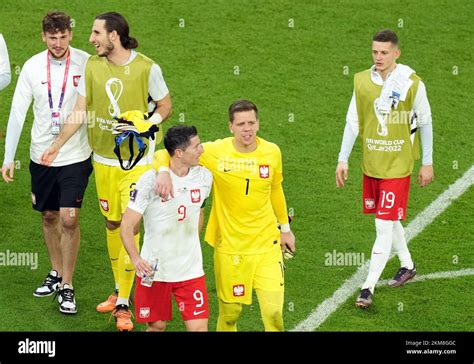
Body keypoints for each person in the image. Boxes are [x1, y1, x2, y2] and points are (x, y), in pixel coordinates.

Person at [39, 12, 172, 331]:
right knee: (113, 223)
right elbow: (80, 110)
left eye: (96, 32)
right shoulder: (92, 67)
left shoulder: (147, 68)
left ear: (114, 36)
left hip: (137, 163)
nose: (90, 38)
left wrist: (146, 123)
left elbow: (165, 106)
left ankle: (125, 305)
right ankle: (120, 289)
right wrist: (57, 144)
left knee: (130, 223)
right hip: (103, 161)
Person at [154, 100, 296, 331]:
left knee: (274, 314)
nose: (247, 129)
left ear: (258, 124)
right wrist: (163, 172)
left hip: (267, 245)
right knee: (230, 315)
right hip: (231, 249)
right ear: (231, 127)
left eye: (251, 123)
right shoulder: (216, 152)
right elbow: (163, 153)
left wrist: (285, 229)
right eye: (241, 124)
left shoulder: (272, 152)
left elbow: (275, 189)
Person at [335, 29, 434, 308]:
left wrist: (427, 162)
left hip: (398, 166)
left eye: (384, 52)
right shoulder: (362, 82)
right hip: (372, 164)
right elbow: (353, 121)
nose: (378, 57)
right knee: (389, 220)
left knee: (382, 224)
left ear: (396, 53)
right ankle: (408, 265)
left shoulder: (412, 83)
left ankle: (367, 289)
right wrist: (343, 159)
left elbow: (425, 122)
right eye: (375, 52)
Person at [1, 12, 92, 314]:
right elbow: (17, 112)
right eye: (52, 37)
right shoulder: (31, 67)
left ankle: (67, 285)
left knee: (69, 218)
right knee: (49, 217)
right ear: (43, 37)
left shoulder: (86, 62)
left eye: (63, 36)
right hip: (41, 155)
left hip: (76, 155)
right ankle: (55, 272)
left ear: (70, 34)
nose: (58, 43)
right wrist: (8, 156)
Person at [121, 125, 212, 332]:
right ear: (179, 153)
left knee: (199, 329)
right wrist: (135, 258)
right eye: (196, 146)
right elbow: (126, 225)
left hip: (190, 270)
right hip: (154, 270)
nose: (202, 150)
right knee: (157, 327)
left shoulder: (204, 177)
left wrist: (191, 243)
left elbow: (200, 210)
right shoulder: (149, 181)